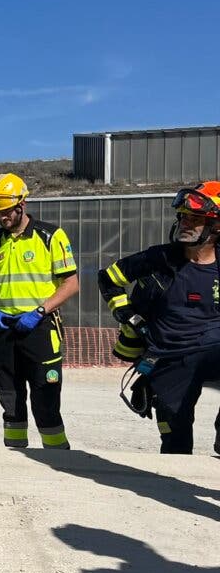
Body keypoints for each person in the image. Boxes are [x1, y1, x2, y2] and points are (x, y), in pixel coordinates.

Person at [98, 182, 220, 454]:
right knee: (175, 444)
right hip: (169, 357)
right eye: (184, 216)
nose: (186, 223)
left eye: (196, 219)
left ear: (217, 226)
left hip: (214, 352)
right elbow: (108, 278)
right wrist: (126, 313)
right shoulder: (159, 258)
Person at [0, 173, 79, 450]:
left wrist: (39, 311)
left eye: (6, 211)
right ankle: (15, 455)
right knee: (9, 399)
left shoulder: (50, 236)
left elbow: (71, 284)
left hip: (39, 328)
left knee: (45, 399)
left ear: (21, 204)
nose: (2, 217)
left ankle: (58, 457)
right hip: (4, 330)